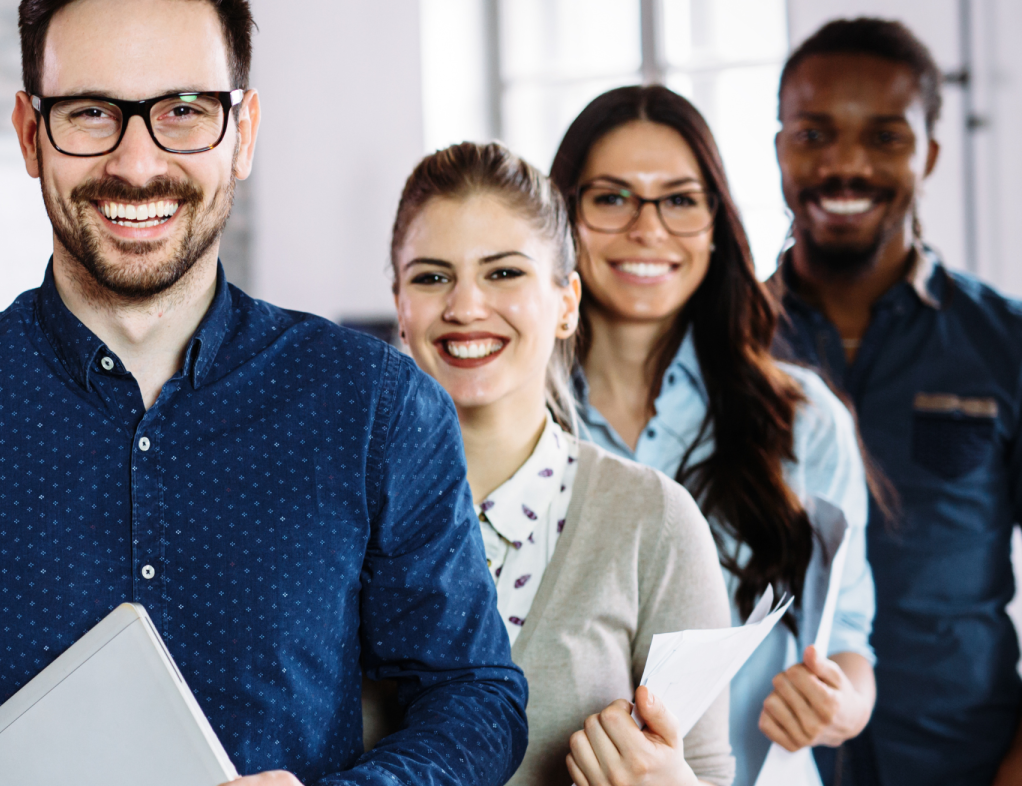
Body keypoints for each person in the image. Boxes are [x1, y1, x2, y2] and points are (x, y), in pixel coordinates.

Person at [0, 0, 528, 783]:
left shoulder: (377, 406)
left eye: (183, 109)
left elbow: (475, 699)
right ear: (31, 134)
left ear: (242, 133)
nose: (136, 165)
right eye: (89, 113)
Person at [548, 85, 877, 786]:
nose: (647, 229)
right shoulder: (513, 421)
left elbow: (849, 646)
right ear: (563, 218)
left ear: (717, 224)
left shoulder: (805, 421)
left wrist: (835, 705)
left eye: (680, 200)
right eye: (611, 198)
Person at [390, 141, 732, 786]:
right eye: (432, 277)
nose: (465, 306)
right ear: (401, 310)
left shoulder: (651, 520)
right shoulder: (337, 512)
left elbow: (710, 772)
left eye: (504, 273)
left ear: (567, 303)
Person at [767, 19, 1022, 786]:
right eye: (813, 133)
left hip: (966, 762)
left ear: (930, 153)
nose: (845, 165)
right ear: (779, 146)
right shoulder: (720, 349)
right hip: (764, 765)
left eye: (884, 137)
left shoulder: (1005, 344)